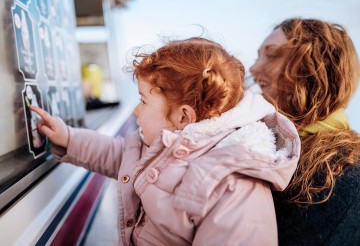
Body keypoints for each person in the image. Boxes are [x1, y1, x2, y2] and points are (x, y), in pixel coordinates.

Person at [30, 37, 300, 245]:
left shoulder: (233, 185)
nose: (136, 111)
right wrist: (68, 138)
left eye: (143, 101)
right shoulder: (162, 143)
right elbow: (118, 156)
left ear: (183, 116)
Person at [250, 18, 360, 245]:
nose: (253, 68)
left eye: (272, 54)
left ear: (314, 68)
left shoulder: (347, 174)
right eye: (259, 55)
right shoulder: (257, 144)